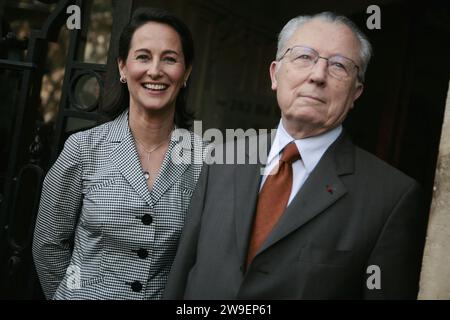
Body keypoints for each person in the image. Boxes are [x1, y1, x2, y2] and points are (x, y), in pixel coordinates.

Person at [164, 12, 428, 299]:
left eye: (339, 65)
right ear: (275, 74)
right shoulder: (223, 159)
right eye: (304, 57)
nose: (317, 76)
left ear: (356, 93)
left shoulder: (391, 198)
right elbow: (183, 272)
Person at [32, 7, 204, 299]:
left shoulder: (204, 160)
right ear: (123, 68)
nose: (155, 70)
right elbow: (49, 244)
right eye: (143, 56)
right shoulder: (84, 148)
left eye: (170, 59)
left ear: (185, 72)